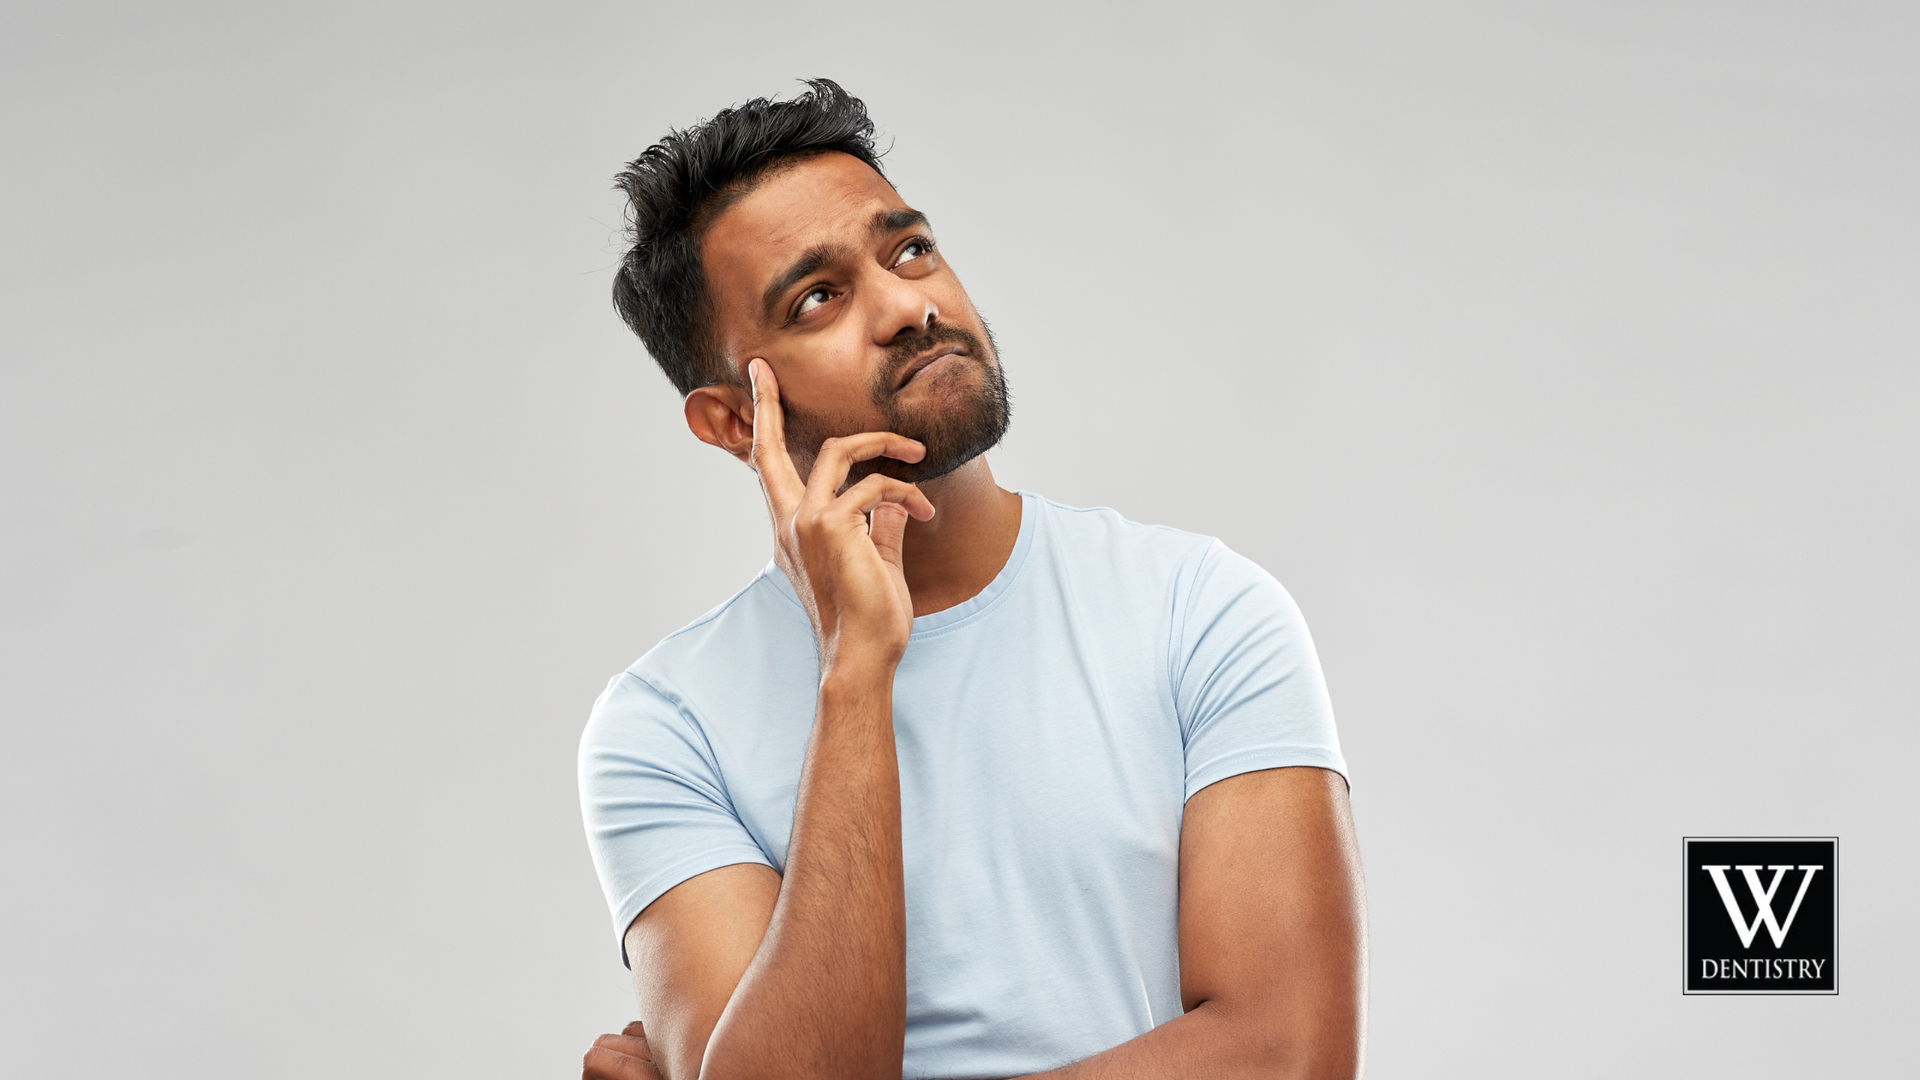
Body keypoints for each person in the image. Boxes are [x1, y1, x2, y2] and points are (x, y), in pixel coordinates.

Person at [578, 79, 1365, 1080]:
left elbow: (1286, 1056)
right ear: (734, 421)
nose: (910, 305)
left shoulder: (1200, 610)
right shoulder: (663, 727)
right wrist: (856, 668)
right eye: (818, 298)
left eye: (908, 250)